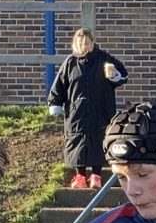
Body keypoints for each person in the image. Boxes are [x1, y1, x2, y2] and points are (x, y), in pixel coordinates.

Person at [48, 27, 128, 188]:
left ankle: (96, 176)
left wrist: (114, 76)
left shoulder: (104, 59)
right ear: (75, 43)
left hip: (101, 109)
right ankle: (80, 176)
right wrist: (55, 102)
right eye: (81, 42)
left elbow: (122, 75)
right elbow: (60, 85)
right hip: (76, 111)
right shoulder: (70, 62)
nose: (84, 45)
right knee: (77, 140)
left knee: (99, 139)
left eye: (87, 42)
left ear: (93, 42)